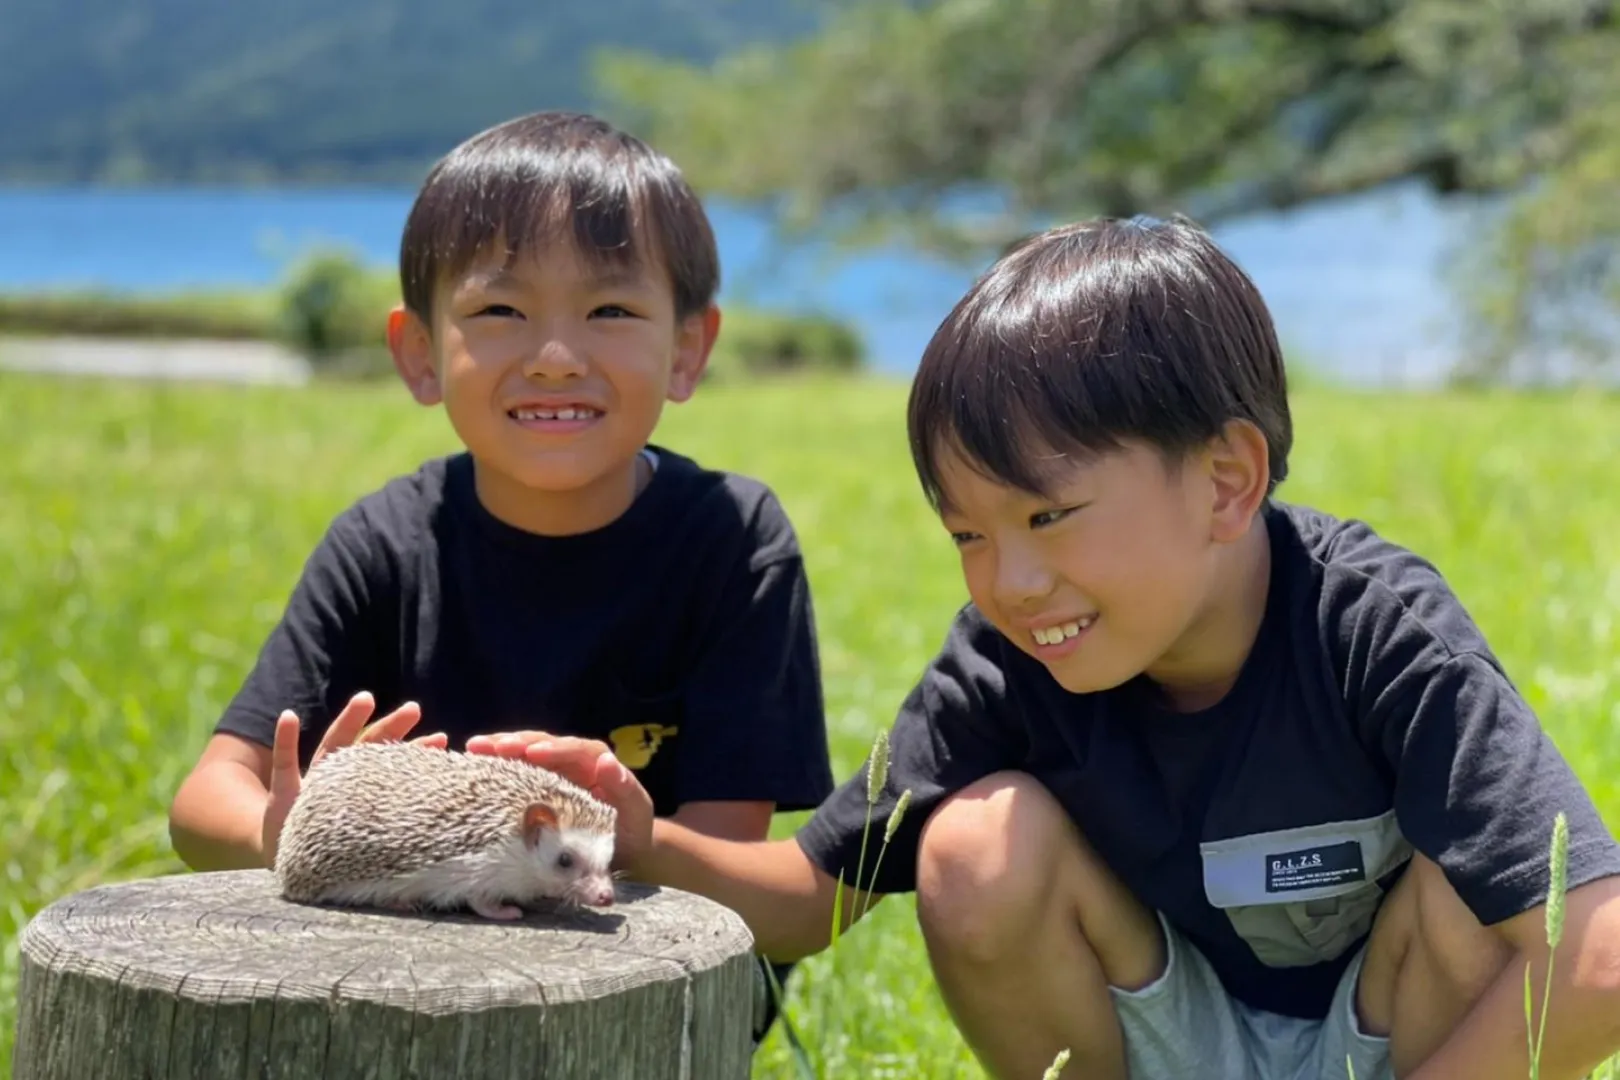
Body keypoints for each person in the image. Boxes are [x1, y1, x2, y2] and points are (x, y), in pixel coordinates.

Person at [502, 216, 1620, 1080]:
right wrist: (642, 839)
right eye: (968, 535)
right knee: (974, 847)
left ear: (1227, 479)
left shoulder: (1372, 628)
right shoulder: (1004, 660)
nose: (1012, 581)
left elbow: (1601, 948)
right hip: (1166, 1032)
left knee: (1493, 891)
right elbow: (810, 899)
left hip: (1395, 1035)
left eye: (1047, 517)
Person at [166, 110, 836, 1044]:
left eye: (610, 311)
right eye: (498, 311)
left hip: (650, 992)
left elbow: (735, 877)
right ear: (419, 354)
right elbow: (204, 804)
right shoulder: (381, 544)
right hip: (394, 987)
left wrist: (639, 843)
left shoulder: (734, 542)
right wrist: (289, 829)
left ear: (688, 347)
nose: (555, 355)